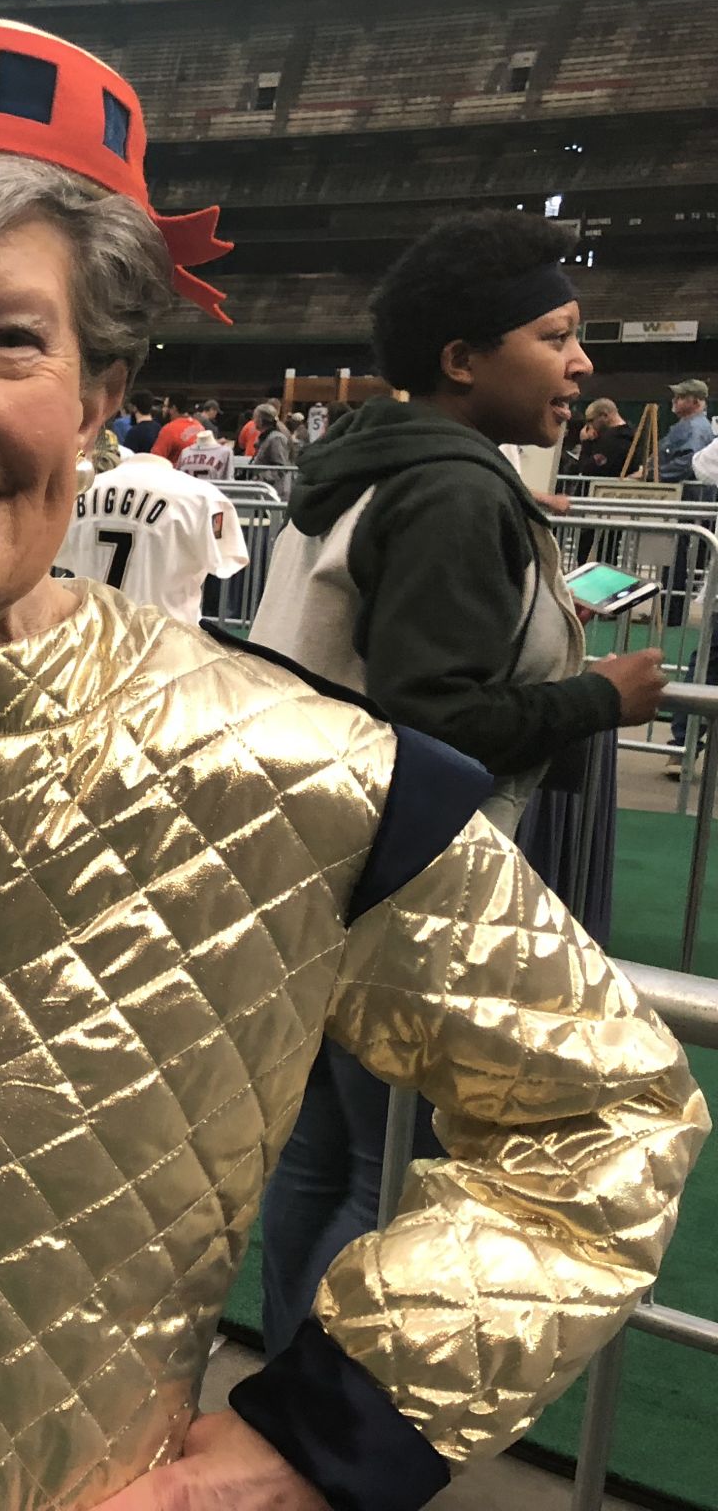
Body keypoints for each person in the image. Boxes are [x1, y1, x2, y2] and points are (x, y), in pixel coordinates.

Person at [0, 19, 706, 1511]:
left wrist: (314, 1440)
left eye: (10, 337)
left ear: (95, 399)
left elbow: (603, 1120)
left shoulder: (308, 778)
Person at [247, 208, 671, 1359]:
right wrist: (600, 696)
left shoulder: (373, 467)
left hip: (308, 860)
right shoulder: (450, 489)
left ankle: (284, 1391)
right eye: (554, 335)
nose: (581, 366)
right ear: (460, 359)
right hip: (394, 876)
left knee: (317, 1154)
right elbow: (434, 717)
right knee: (380, 1176)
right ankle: (311, 1442)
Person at [56, 449, 248, 622]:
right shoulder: (203, 497)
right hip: (168, 639)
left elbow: (63, 558)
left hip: (93, 633)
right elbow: (226, 563)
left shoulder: (82, 492)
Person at [570, 397, 638, 480]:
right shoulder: (633, 434)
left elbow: (587, 470)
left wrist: (586, 443)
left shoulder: (609, 441)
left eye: (591, 420)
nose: (589, 426)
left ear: (604, 415)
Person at [150, 397, 218, 461]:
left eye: (165, 406)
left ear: (173, 408)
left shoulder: (169, 429)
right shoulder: (199, 426)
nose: (163, 409)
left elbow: (155, 460)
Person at [243, 401, 294, 482]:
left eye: (254, 418)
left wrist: (260, 478)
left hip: (273, 490)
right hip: (263, 487)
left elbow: (280, 468)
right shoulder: (266, 438)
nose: (253, 421)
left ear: (260, 420)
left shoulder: (276, 439)